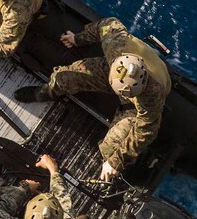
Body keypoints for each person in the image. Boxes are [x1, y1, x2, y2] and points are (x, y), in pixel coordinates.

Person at [14, 17, 172, 182]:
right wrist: (77, 38)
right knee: (67, 77)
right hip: (114, 73)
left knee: (109, 150)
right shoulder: (115, 46)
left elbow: (146, 130)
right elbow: (107, 24)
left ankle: (130, 164)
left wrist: (115, 161)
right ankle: (45, 92)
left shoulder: (152, 95)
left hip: (135, 102)